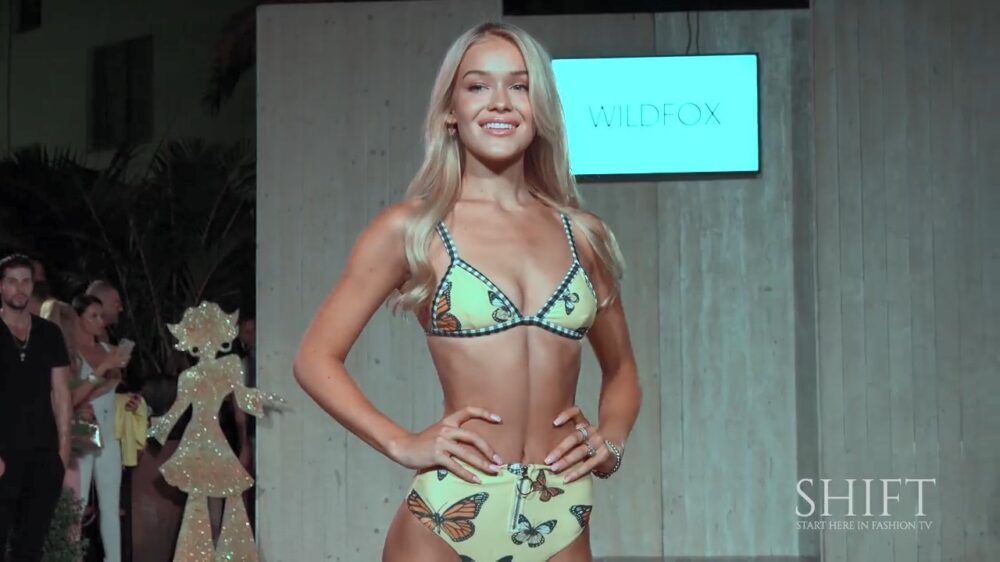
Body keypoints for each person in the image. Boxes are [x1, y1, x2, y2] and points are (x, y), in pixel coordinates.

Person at [294, 22, 641, 562]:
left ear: (540, 108)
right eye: (478, 86)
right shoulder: (413, 231)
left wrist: (611, 441)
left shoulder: (583, 236)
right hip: (448, 511)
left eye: (520, 86)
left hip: (562, 512)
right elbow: (315, 359)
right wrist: (401, 442)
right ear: (450, 111)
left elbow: (622, 371)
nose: (500, 102)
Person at [0, 254, 73, 562]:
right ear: (1, 286)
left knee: (31, 544)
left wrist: (64, 449)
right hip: (4, 452)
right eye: (12, 281)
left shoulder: (49, 333)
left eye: (26, 281)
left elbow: (61, 393)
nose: (20, 288)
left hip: (43, 452)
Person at [72, 294, 131, 562]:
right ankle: (71, 556)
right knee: (79, 502)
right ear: (78, 319)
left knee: (111, 505)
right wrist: (104, 382)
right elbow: (74, 396)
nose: (100, 321)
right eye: (92, 316)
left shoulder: (108, 350)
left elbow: (116, 383)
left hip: (108, 431)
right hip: (84, 430)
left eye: (101, 316)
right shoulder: (72, 353)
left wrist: (109, 378)